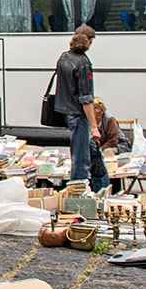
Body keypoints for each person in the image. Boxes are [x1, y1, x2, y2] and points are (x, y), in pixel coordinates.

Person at [54, 26, 101, 188]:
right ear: (89, 40)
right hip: (79, 115)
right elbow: (86, 99)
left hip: (67, 112)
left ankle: (100, 186)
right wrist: (94, 127)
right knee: (81, 159)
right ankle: (78, 192)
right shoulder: (83, 63)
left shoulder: (64, 57)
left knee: (92, 151)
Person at [87, 96, 120, 194]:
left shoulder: (109, 119)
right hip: (98, 147)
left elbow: (113, 141)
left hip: (115, 146)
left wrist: (100, 149)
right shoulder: (90, 121)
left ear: (99, 110)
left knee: (106, 153)